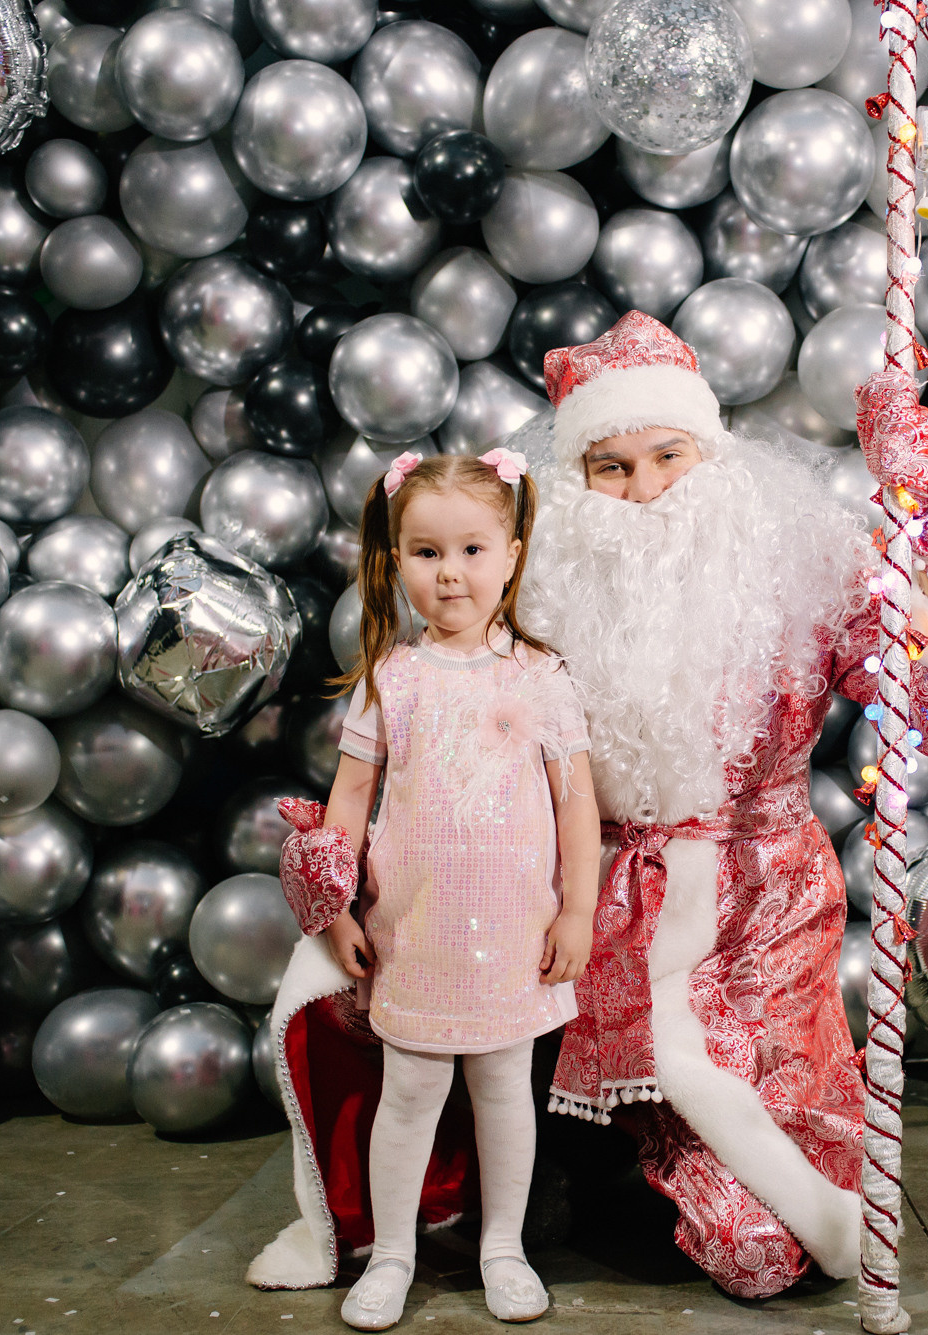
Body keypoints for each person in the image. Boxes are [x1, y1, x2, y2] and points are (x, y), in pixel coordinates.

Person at [517, 312, 928, 1298]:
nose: (646, 489)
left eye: (667, 455)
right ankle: (576, 1149)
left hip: (763, 912)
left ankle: (684, 1162)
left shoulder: (801, 566)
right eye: (610, 469)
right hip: (593, 916)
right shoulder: (531, 586)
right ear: (574, 485)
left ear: (713, 454)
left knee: (758, 1249)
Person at [252, 450, 600, 1330]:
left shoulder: (541, 678)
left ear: (513, 553)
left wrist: (578, 909)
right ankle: (396, 1250)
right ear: (397, 561)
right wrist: (333, 913)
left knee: (501, 1092)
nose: (452, 573)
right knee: (407, 1094)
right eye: (428, 553)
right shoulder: (392, 678)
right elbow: (350, 802)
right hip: (415, 932)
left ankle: (503, 1246)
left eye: (474, 550)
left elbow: (577, 808)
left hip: (515, 935)